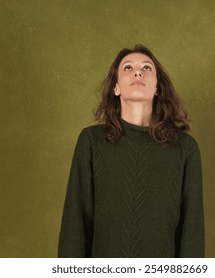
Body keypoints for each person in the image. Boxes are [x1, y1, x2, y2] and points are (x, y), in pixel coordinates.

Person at [58, 44, 205, 258]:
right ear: (116, 87)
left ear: (156, 87)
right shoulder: (92, 141)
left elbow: (192, 232)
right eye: (128, 68)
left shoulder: (185, 148)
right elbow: (75, 224)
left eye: (147, 68)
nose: (138, 71)